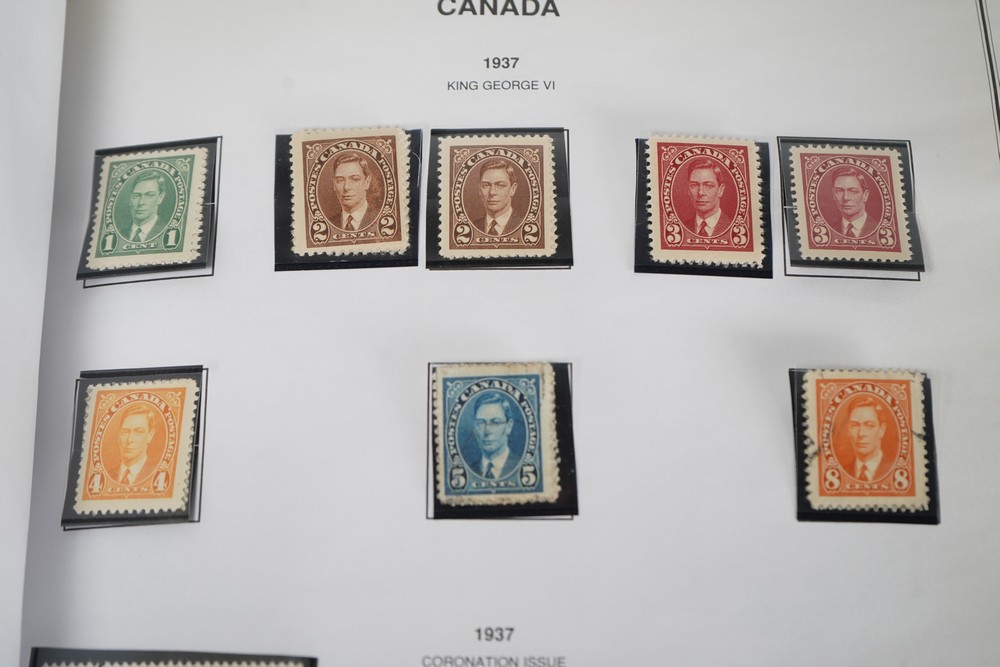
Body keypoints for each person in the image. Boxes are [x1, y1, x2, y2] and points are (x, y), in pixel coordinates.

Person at [464, 392, 523, 479]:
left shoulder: (521, 466)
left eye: (495, 422)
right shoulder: (468, 470)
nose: (487, 431)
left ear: (509, 426)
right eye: (481, 423)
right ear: (475, 427)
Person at [838, 395, 894, 481]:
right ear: (848, 430)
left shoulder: (893, 469)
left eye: (869, 425)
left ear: (882, 430)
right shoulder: (841, 472)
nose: (861, 433)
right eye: (854, 425)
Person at [472, 158, 523, 235]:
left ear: (513, 189)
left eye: (500, 185)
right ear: (479, 189)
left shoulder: (524, 226)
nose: (492, 192)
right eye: (486, 185)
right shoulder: (472, 227)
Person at [682, 158, 732, 237]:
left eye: (709, 186)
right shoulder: (682, 228)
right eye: (694, 185)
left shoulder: (733, 227)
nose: (701, 192)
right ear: (688, 189)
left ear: (721, 190)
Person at [111, 404, 159, 485]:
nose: (129, 440)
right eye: (125, 432)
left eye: (138, 432)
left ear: (150, 435)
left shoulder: (157, 474)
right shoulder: (108, 476)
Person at [330, 152, 378, 232]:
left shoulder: (380, 219)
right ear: (334, 184)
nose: (346, 187)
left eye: (355, 179)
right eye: (340, 180)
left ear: (367, 182)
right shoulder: (329, 223)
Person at [829, 166, 877, 238]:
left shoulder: (877, 228)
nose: (846, 197)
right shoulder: (829, 229)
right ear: (833, 194)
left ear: (865, 195)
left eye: (853, 191)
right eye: (839, 191)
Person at [122, 171, 168, 242]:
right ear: (130, 198)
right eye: (136, 196)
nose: (141, 202)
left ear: (160, 197)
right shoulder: (121, 234)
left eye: (149, 195)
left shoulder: (167, 232)